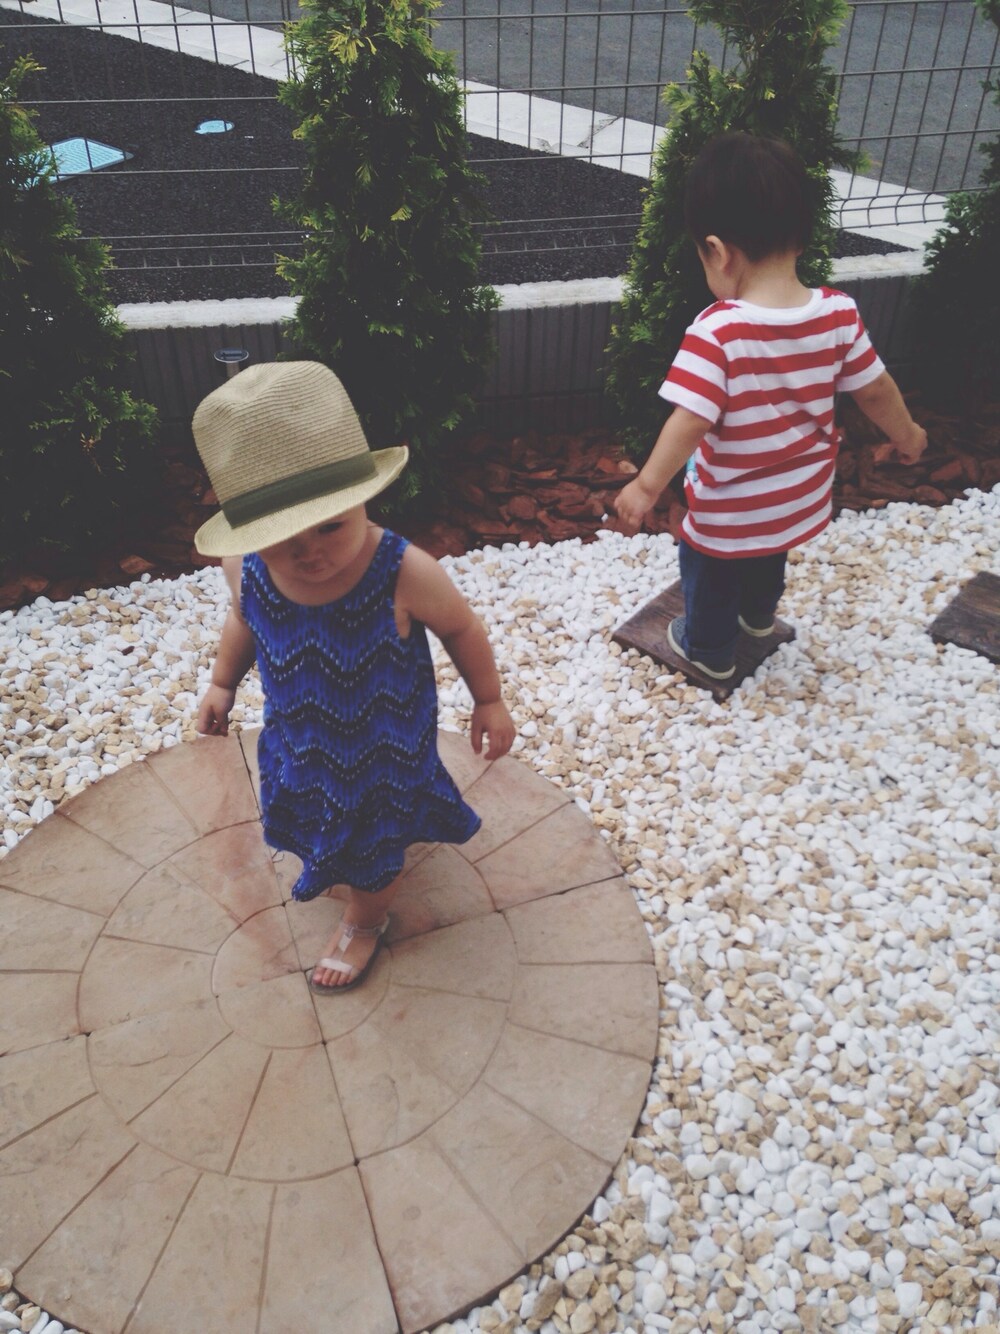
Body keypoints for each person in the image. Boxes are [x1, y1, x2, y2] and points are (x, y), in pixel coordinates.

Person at [193, 361, 515, 993]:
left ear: (365, 498)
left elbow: (461, 629)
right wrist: (223, 683)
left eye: (331, 525)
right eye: (283, 538)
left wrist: (490, 699)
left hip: (382, 754)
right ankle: (341, 858)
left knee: (373, 841)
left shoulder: (401, 571)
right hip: (300, 741)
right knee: (315, 813)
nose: (310, 550)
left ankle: (367, 919)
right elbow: (244, 619)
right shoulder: (246, 569)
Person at [614, 131, 928, 680]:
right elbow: (875, 389)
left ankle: (708, 648)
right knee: (768, 552)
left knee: (709, 567)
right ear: (802, 238)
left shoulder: (718, 331)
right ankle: (758, 618)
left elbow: (691, 419)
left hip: (730, 507)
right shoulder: (839, 313)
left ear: (718, 252)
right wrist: (908, 436)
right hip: (798, 495)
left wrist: (645, 486)